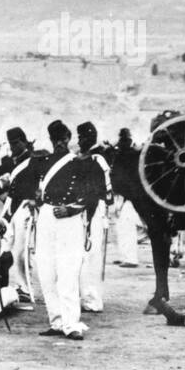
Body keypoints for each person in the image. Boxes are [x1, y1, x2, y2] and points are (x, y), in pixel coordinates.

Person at [33, 119, 101, 340]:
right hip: (47, 217)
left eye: (61, 139)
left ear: (67, 139)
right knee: (46, 270)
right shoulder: (43, 161)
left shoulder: (82, 163)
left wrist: (71, 209)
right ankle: (56, 321)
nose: (58, 143)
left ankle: (71, 324)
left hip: (68, 220)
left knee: (68, 270)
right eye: (55, 139)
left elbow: (92, 195)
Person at [0, 126, 41, 304]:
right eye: (10, 143)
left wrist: (37, 200)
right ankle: (11, 284)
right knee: (6, 247)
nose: (12, 147)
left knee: (21, 251)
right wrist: (1, 196)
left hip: (25, 208)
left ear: (23, 141)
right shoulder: (12, 161)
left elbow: (42, 184)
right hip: (12, 207)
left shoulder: (34, 160)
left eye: (15, 143)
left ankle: (26, 288)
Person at [76, 121, 113, 314]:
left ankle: (92, 299)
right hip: (84, 209)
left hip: (94, 209)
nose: (79, 140)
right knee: (83, 254)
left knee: (91, 255)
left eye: (82, 137)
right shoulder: (84, 159)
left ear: (90, 138)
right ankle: (83, 295)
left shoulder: (97, 160)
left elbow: (106, 195)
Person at [112, 128, 141, 267]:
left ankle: (131, 259)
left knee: (127, 226)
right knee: (121, 226)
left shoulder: (131, 156)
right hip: (124, 196)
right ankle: (124, 256)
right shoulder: (123, 155)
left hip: (131, 197)